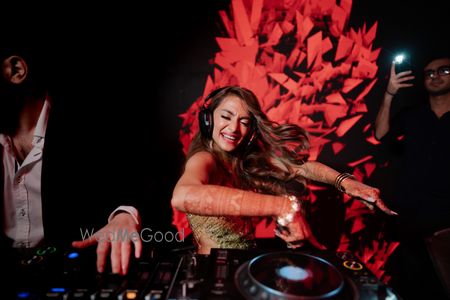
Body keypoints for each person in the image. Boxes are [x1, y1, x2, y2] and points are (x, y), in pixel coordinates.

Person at [171, 86, 397, 255]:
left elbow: (300, 167)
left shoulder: (241, 158)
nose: (233, 128)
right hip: (212, 272)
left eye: (244, 122)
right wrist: (284, 207)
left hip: (242, 261)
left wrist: (346, 182)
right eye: (226, 117)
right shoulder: (204, 158)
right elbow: (183, 196)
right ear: (208, 119)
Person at [0, 37, 142, 276]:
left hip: (76, 274)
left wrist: (123, 215)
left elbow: (133, 189)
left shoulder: (95, 125)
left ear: (15, 70)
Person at [374, 56, 450, 298]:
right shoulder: (413, 114)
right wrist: (389, 94)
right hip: (411, 212)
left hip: (447, 215)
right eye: (429, 73)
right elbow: (380, 133)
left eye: (443, 70)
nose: (435, 76)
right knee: (411, 279)